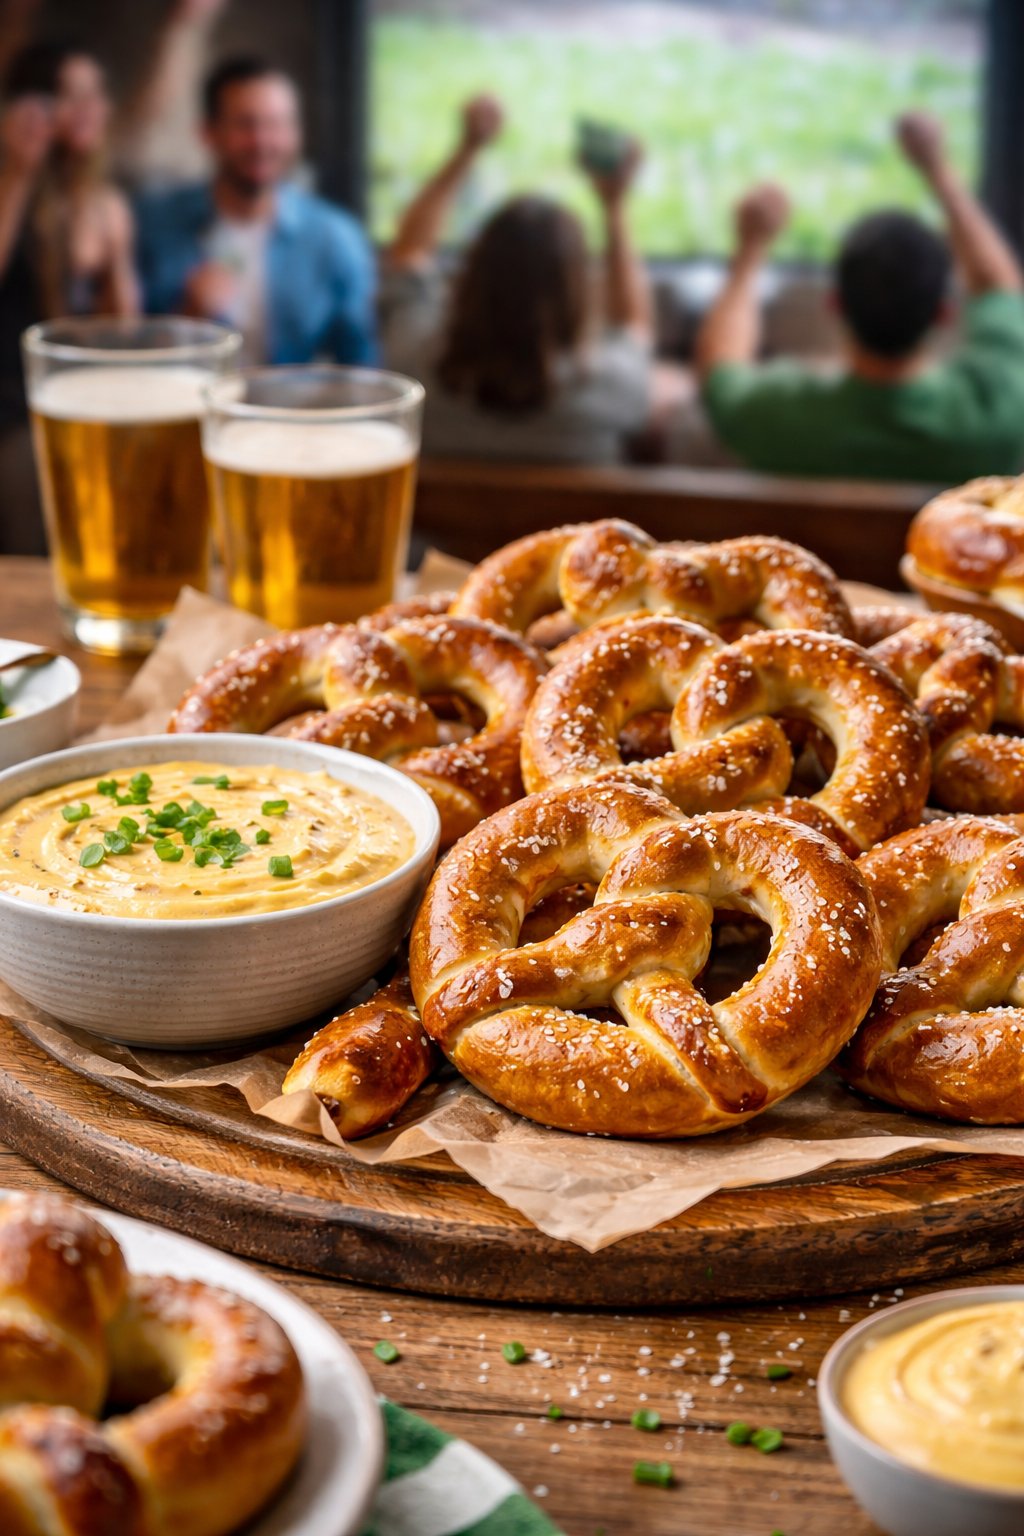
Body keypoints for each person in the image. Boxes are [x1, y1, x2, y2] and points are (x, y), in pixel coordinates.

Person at [696, 112, 1024, 483]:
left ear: (835, 305)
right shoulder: (999, 417)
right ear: (944, 314)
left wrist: (750, 250)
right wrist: (938, 169)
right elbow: (1000, 287)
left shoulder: (773, 420)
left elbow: (719, 367)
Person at [381, 95, 684, 463]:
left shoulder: (412, 368)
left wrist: (467, 148)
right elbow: (635, 327)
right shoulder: (614, 386)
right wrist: (614, 205)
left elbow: (409, 255)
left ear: (471, 277)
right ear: (577, 294)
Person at [135, 55, 376, 367]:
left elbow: (361, 365)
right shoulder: (151, 225)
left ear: (296, 133)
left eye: (277, 124)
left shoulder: (336, 237)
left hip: (292, 399)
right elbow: (128, 358)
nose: (262, 142)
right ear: (208, 132)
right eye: (245, 125)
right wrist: (188, 318)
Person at [0, 38, 139, 554]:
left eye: (95, 94)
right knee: (30, 468)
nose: (89, 109)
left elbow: (124, 331)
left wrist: (115, 255)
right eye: (70, 96)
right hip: (12, 405)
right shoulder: (9, 185)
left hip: (78, 397)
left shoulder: (103, 201)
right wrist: (18, 173)